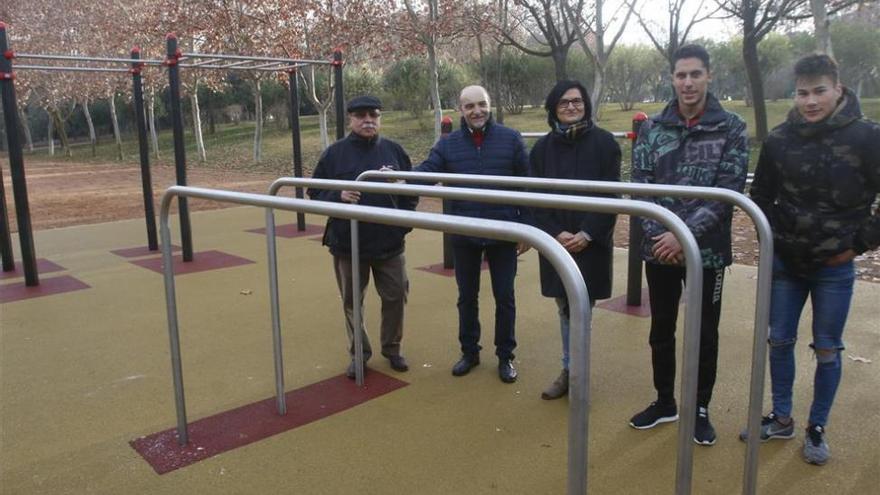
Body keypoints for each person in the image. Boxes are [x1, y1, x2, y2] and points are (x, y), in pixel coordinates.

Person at [744, 54, 879, 465]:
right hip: (786, 262)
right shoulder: (781, 139)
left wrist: (858, 244)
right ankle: (782, 415)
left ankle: (816, 426)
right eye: (803, 93)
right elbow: (761, 196)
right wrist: (775, 238)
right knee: (779, 340)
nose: (810, 101)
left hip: (834, 266)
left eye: (819, 91)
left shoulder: (867, 137)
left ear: (837, 88)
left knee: (827, 348)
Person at [629, 44, 749, 446]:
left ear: (708, 76)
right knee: (661, 328)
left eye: (695, 74)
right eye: (681, 75)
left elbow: (727, 191)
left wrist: (681, 234)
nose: (687, 82)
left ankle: (699, 407)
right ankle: (665, 401)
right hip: (659, 249)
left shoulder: (729, 126)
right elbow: (640, 187)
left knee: (704, 332)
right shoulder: (653, 128)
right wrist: (663, 235)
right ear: (673, 78)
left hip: (707, 251)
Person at [415, 85, 530, 383]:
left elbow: (528, 184)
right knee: (467, 296)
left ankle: (505, 356)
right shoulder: (448, 144)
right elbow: (427, 172)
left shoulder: (511, 139)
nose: (476, 111)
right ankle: (470, 351)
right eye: (469, 106)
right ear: (460, 110)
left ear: (489, 105)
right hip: (464, 231)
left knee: (505, 296)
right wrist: (397, 176)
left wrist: (525, 228)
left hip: (503, 229)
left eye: (481, 105)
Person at [307, 95, 418, 379]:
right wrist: (338, 195)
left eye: (374, 115)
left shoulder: (394, 152)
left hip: (390, 245)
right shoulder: (334, 154)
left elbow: (412, 192)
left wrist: (402, 226)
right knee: (352, 301)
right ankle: (359, 354)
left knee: (395, 296)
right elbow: (314, 193)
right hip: (347, 244)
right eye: (361, 116)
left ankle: (392, 349)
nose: (369, 120)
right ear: (350, 120)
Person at [529, 80, 621, 400]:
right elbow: (534, 198)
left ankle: (578, 371)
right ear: (554, 109)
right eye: (564, 103)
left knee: (582, 307)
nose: (571, 107)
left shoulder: (606, 144)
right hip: (557, 239)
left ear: (586, 105)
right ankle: (570, 370)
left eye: (577, 102)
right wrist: (556, 233)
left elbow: (612, 195)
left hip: (590, 240)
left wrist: (587, 233)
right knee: (564, 305)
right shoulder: (541, 150)